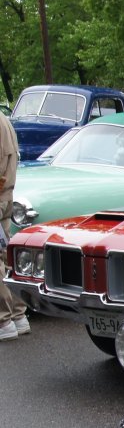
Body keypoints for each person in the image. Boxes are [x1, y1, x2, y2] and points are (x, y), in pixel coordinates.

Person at [1, 107, 30, 341]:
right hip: (5, 195)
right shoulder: (4, 121)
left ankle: (3, 320)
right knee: (5, 255)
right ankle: (18, 315)